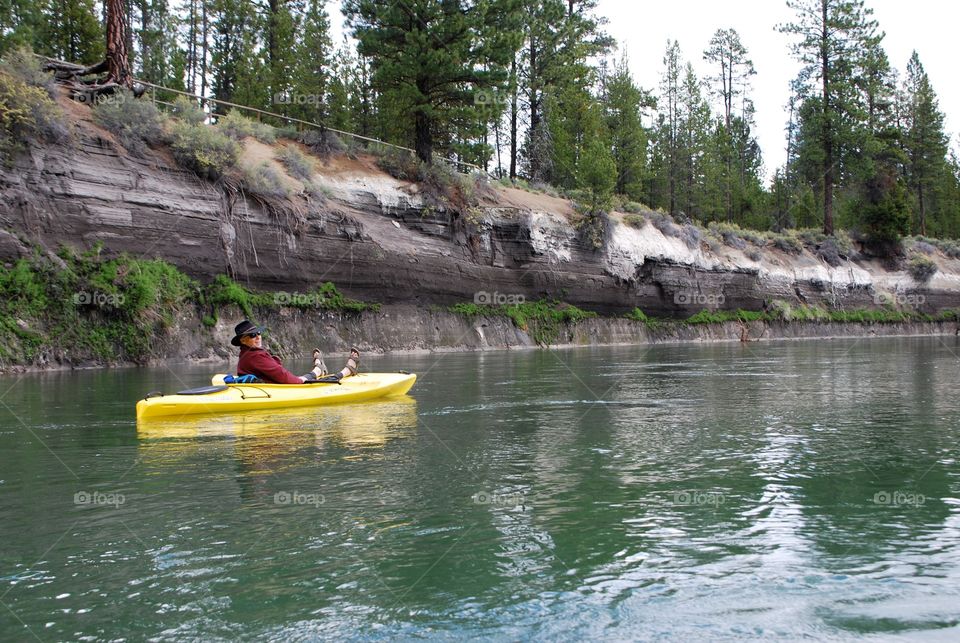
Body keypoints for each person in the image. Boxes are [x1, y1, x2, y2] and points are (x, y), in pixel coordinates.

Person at [231, 320, 360, 384]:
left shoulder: (245, 354)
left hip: (274, 385)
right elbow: (281, 374)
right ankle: (346, 371)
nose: (258, 337)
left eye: (258, 333)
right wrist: (299, 381)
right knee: (306, 381)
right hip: (280, 388)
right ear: (243, 340)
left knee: (304, 378)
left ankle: (318, 369)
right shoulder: (255, 356)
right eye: (253, 335)